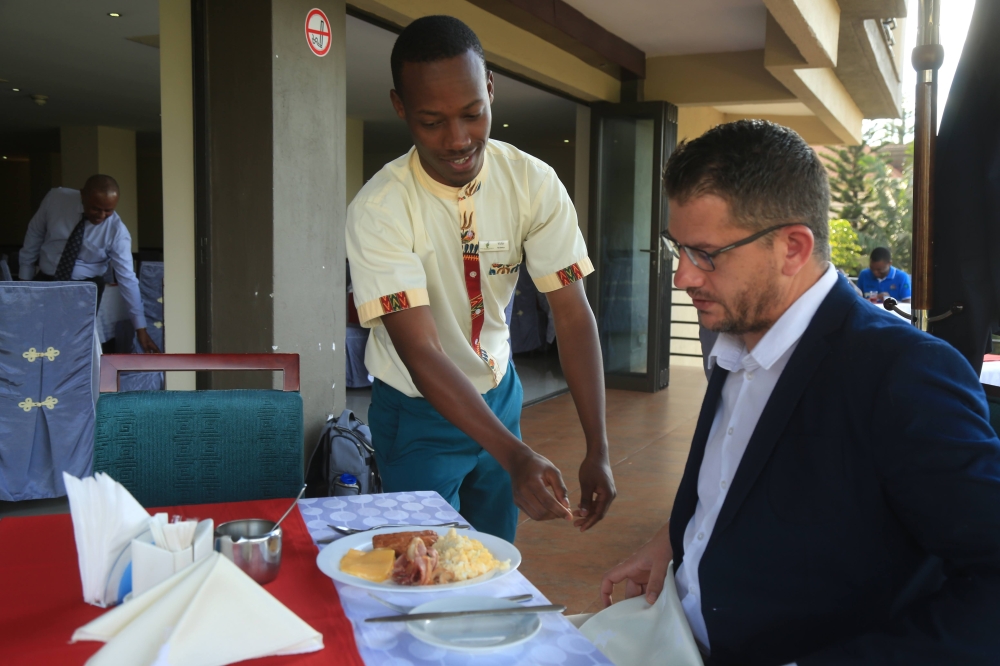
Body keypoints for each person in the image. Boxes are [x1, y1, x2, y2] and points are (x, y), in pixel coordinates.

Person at [600, 120, 1000, 665]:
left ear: (792, 248)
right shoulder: (737, 332)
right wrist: (675, 539)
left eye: (706, 254)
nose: (683, 278)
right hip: (676, 640)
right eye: (678, 250)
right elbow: (737, 481)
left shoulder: (905, 374)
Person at [345, 16, 615, 543]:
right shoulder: (380, 208)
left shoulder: (533, 184)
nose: (458, 139)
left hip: (500, 395)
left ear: (490, 89)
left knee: (491, 556)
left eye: (473, 113)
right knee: (424, 567)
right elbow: (422, 354)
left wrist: (598, 447)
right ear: (401, 107)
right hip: (419, 411)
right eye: (431, 121)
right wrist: (514, 454)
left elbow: (571, 312)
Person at [19, 175, 160, 354]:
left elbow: (128, 280)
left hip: (86, 287)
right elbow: (34, 234)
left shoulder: (117, 232)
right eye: (96, 208)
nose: (101, 216)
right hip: (45, 280)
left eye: (108, 211)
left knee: (73, 343)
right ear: (83, 195)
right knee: (34, 337)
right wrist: (24, 282)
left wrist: (141, 328)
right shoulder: (56, 199)